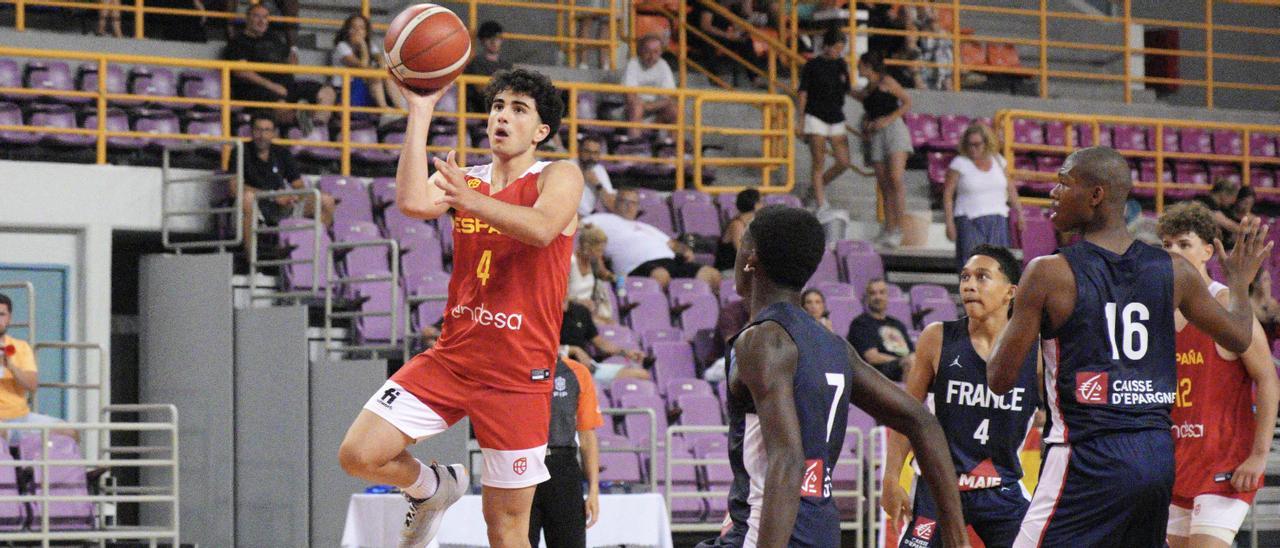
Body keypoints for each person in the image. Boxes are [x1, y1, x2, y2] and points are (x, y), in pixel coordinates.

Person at [337, 68, 585, 547]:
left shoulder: (559, 174)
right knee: (358, 454)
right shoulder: (465, 179)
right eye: (496, 106)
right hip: (453, 359)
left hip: (518, 376)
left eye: (518, 109)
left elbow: (540, 228)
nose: (502, 117)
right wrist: (421, 110)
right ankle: (431, 489)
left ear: (541, 131)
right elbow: (410, 201)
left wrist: (468, 199)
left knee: (506, 529)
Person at [985, 146, 1272, 546]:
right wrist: (1239, 285)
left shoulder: (1048, 273)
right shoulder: (1173, 270)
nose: (1053, 192)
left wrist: (1012, 309)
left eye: (1064, 183)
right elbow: (1239, 335)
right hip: (1155, 457)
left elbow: (999, 378)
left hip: (1085, 454)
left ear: (1096, 195)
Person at [697, 205, 968, 547]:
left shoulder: (762, 339)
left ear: (751, 257)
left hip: (768, 532)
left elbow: (788, 459)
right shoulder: (835, 346)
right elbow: (923, 422)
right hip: (822, 532)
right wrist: (958, 538)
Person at [882, 245, 1038, 547]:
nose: (968, 285)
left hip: (1001, 485)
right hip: (939, 484)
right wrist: (891, 476)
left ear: (1010, 292)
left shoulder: (1035, 350)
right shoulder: (937, 337)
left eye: (982, 277)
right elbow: (907, 415)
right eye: (965, 277)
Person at [1156, 202, 1278, 548]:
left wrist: (1258, 455)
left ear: (1208, 251)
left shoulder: (1226, 306)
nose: (1174, 252)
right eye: (1167, 245)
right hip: (1177, 463)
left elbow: (1268, 378)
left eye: (1184, 244)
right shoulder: (1157, 314)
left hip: (1225, 463)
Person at [232, 113, 336, 255]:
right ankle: (252, 259)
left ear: (274, 133)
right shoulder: (240, 151)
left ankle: (314, 251)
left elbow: (299, 186)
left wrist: (293, 197)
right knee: (248, 198)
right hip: (256, 206)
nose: (262, 135)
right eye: (258, 130)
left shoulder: (282, 153)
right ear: (251, 131)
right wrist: (273, 196)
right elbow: (234, 188)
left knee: (326, 200)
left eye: (267, 130)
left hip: (282, 205)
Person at [583, 188, 722, 292]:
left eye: (633, 203)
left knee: (712, 275)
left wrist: (685, 249)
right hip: (637, 265)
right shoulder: (601, 219)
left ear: (638, 207)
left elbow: (672, 243)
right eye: (624, 201)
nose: (629, 206)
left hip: (670, 261)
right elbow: (579, 228)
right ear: (615, 202)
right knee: (661, 276)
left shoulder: (646, 227)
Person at [528, 357, 602, 548]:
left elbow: (587, 437)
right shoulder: (512, 369)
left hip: (562, 468)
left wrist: (593, 490)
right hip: (522, 465)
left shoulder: (576, 372)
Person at [224, 4, 336, 130]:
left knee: (327, 92)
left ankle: (316, 129)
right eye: (257, 16)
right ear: (247, 18)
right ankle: (304, 126)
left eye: (265, 17)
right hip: (257, 90)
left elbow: (289, 61)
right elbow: (242, 72)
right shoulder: (237, 42)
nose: (262, 21)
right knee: (283, 106)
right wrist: (272, 86)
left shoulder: (274, 39)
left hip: (286, 87)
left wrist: (291, 63)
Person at [852, 51, 913, 248]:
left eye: (861, 65)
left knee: (895, 179)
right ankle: (889, 226)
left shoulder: (887, 81)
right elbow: (861, 99)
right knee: (884, 184)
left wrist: (888, 119)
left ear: (869, 66)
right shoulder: (868, 89)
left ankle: (899, 228)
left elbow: (907, 102)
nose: (858, 69)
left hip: (893, 130)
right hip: (876, 134)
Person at [944, 123, 1021, 267]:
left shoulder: (998, 160)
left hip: (998, 219)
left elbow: (1010, 188)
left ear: (986, 143)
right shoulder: (959, 163)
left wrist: (1019, 212)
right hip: (969, 219)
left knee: (998, 265)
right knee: (972, 264)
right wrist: (949, 223)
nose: (973, 148)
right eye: (969, 145)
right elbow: (948, 195)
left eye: (977, 144)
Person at [0, 294, 72, 443]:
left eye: (1, 314)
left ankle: (63, 467)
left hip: (21, 417)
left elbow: (32, 385)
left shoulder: (20, 347)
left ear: (9, 318)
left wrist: (12, 367)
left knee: (69, 432)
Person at [796, 29, 854, 211]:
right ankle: (821, 203)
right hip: (815, 116)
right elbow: (803, 93)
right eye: (836, 48)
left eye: (841, 49)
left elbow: (847, 88)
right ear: (826, 46)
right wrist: (801, 120)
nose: (838, 52)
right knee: (818, 161)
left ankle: (815, 189)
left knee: (844, 162)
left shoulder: (841, 65)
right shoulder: (812, 65)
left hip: (836, 115)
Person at [560, 297, 648, 383]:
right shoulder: (547, 314)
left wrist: (626, 353)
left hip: (587, 367)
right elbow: (547, 349)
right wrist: (573, 350)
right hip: (560, 369)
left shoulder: (580, 311)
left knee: (642, 375)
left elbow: (600, 342)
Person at [330, 14, 405, 115]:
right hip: (346, 89)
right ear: (347, 30)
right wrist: (363, 45)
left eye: (361, 28)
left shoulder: (371, 45)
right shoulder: (342, 46)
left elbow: (382, 62)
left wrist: (381, 64)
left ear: (366, 32)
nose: (357, 31)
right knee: (374, 75)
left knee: (387, 74)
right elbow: (362, 66)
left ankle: (400, 108)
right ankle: (384, 109)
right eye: (353, 27)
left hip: (363, 87)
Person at [846, 279, 914, 382]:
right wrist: (903, 361)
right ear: (867, 298)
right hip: (878, 372)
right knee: (911, 363)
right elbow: (872, 357)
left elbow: (912, 353)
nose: (878, 297)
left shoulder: (898, 324)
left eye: (882, 292)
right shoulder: (860, 323)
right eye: (873, 293)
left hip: (903, 365)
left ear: (887, 296)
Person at [622, 35, 678, 140]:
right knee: (636, 107)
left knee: (675, 110)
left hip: (655, 109)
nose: (652, 56)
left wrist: (649, 106)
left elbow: (668, 98)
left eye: (656, 52)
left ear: (661, 52)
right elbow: (630, 97)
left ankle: (673, 147)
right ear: (640, 52)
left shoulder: (663, 65)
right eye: (647, 51)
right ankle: (635, 144)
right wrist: (643, 106)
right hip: (632, 109)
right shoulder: (633, 64)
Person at [568, 224, 616, 324]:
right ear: (587, 247)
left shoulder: (593, 264)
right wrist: (578, 302)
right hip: (570, 313)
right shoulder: (570, 263)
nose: (601, 254)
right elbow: (559, 296)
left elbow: (605, 274)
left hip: (587, 314)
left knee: (612, 325)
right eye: (599, 250)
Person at [464, 21, 514, 114]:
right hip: (480, 110)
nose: (493, 42)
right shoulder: (475, 64)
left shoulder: (507, 66)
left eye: (497, 38)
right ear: (482, 41)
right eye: (489, 38)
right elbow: (481, 91)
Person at [715, 189, 761, 271]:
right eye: (761, 202)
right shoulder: (737, 225)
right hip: (730, 270)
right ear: (756, 205)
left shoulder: (752, 224)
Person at [574, 135, 616, 217]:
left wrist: (597, 184)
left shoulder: (599, 170)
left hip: (588, 220)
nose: (591, 157)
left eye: (595, 153)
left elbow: (612, 206)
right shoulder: (566, 167)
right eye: (587, 152)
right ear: (578, 151)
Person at [1192, 178, 1242, 246]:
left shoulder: (1215, 204)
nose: (1233, 201)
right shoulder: (1207, 202)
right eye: (1232, 197)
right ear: (1224, 194)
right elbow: (1228, 224)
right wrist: (1249, 230)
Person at [1250, 268, 1280, 349]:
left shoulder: (1272, 302)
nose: (1270, 283)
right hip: (1254, 348)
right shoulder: (1249, 303)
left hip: (1269, 348)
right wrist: (1267, 298)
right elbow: (1264, 319)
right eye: (1265, 280)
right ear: (1254, 283)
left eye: (1269, 279)